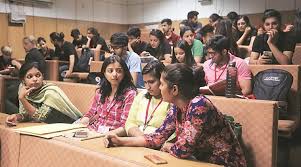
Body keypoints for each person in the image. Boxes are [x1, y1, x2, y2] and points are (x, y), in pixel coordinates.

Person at [104, 63, 247, 167]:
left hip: (223, 163)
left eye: (161, 84)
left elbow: (182, 149)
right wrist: (120, 141)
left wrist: (168, 146)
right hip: (198, 162)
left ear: (174, 89)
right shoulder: (176, 107)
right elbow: (156, 138)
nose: (159, 88)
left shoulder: (199, 105)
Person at [5, 62, 83, 125]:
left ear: (43, 77)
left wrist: (22, 99)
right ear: (23, 81)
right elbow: (27, 114)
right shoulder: (23, 89)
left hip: (70, 124)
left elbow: (40, 117)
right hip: (49, 126)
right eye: (30, 77)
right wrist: (17, 117)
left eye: (38, 75)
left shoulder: (50, 92)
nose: (35, 79)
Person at [107, 60, 170, 137]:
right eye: (145, 82)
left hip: (158, 143)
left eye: (151, 82)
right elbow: (130, 123)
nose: (147, 87)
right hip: (137, 139)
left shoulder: (170, 100)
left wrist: (148, 141)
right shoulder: (141, 96)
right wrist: (142, 138)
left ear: (162, 80)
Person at [79, 55, 137, 133]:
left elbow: (126, 125)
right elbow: (91, 113)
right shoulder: (100, 92)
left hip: (113, 134)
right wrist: (82, 122)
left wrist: (110, 135)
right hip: (94, 130)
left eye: (119, 71)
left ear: (124, 73)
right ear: (104, 73)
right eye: (110, 71)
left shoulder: (130, 94)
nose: (114, 74)